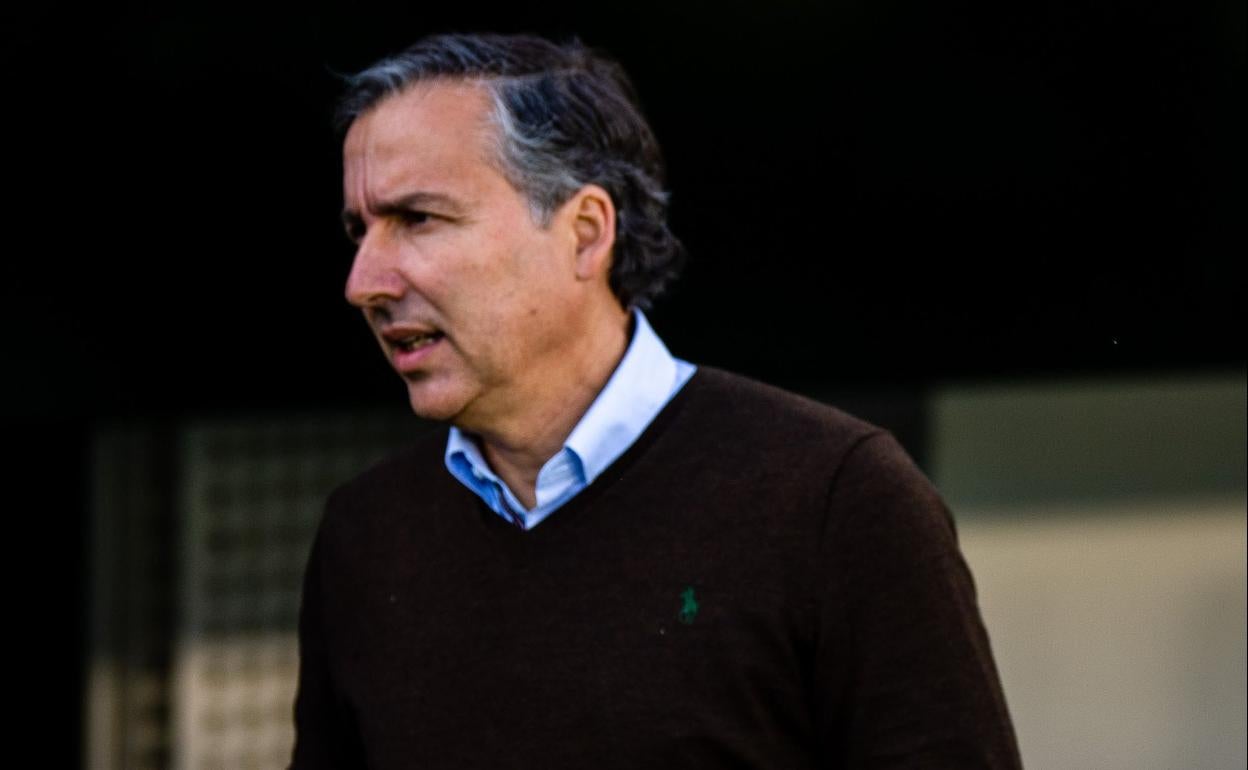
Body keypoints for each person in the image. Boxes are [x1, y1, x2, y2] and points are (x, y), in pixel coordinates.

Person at [290, 32, 1022, 769]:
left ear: (584, 234)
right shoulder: (366, 535)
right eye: (360, 231)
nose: (364, 282)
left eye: (417, 218)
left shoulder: (836, 498)